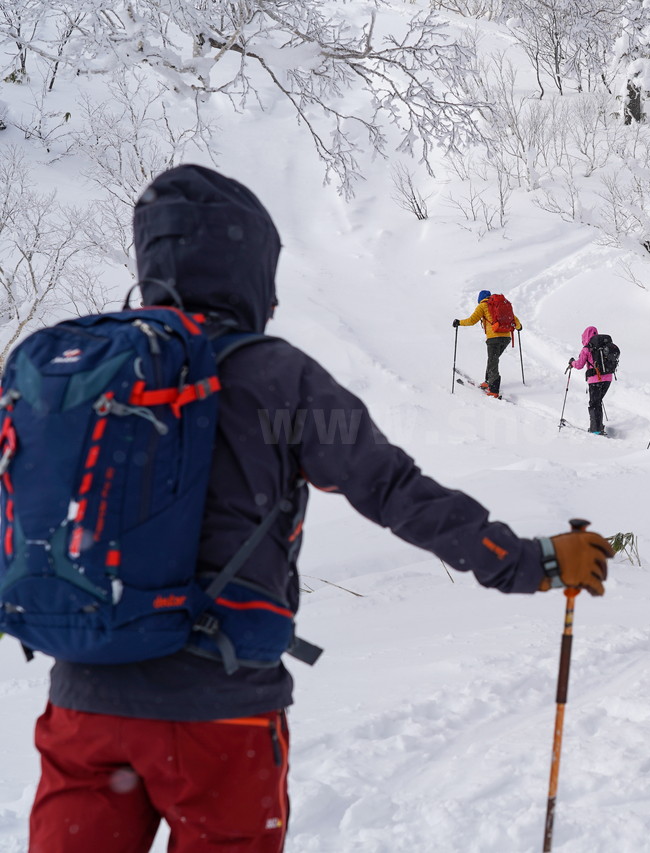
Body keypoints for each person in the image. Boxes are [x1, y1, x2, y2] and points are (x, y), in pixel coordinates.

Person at [27, 165, 614, 853]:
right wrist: (528, 561)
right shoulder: (278, 377)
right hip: (222, 715)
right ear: (248, 273)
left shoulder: (75, 366)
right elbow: (392, 489)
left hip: (85, 703)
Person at [454, 290, 522, 399]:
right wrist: (519, 327)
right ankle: (487, 381)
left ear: (480, 299)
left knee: (493, 361)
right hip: (506, 338)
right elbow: (514, 318)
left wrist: (459, 322)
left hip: (494, 338)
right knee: (492, 360)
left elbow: (472, 320)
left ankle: (494, 390)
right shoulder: (498, 305)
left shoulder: (482, 306)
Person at [568, 325, 615, 436]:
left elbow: (579, 365)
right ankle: (599, 426)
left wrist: (572, 363)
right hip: (608, 378)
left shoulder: (587, 348)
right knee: (597, 402)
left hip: (595, 380)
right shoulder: (604, 346)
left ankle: (596, 429)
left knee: (594, 404)